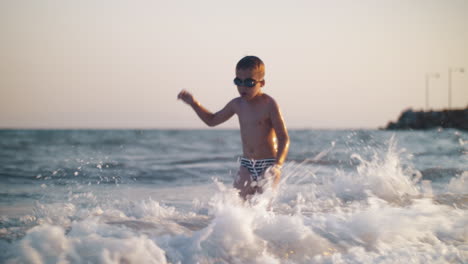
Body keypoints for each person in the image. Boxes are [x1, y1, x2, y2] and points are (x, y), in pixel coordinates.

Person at [177, 56, 289, 199]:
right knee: (237, 204)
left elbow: (283, 138)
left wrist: (277, 165)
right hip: (247, 164)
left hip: (268, 165)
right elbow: (212, 121)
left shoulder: (269, 104)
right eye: (238, 81)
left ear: (262, 83)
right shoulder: (237, 104)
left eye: (249, 82)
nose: (243, 87)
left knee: (262, 208)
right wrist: (194, 103)